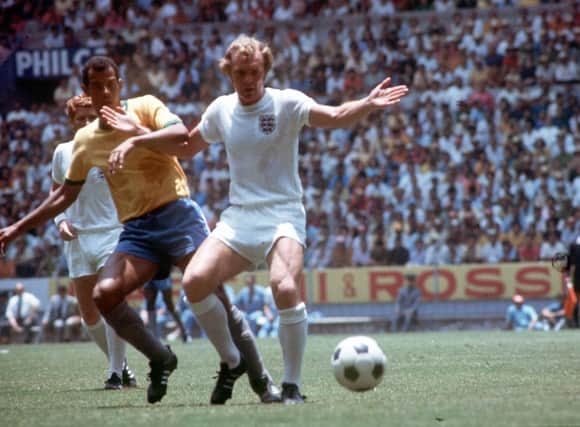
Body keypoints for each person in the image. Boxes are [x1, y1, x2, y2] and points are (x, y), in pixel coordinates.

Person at [106, 35, 408, 403]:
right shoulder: (221, 110)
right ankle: (233, 360)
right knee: (195, 283)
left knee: (283, 286)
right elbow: (185, 146)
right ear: (228, 73)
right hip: (239, 218)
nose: (247, 80)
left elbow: (335, 117)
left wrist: (367, 103)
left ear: (265, 70)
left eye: (253, 72)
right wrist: (138, 136)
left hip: (283, 214)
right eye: (239, 73)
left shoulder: (286, 103)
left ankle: (292, 385)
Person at [0, 56, 279, 405]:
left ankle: (263, 383)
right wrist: (17, 227)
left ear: (120, 83)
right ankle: (161, 357)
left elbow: (181, 136)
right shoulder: (85, 142)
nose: (104, 91)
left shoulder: (146, 106)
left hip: (177, 215)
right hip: (137, 231)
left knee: (215, 294)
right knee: (104, 295)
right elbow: (64, 195)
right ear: (85, 90)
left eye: (110, 83)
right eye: (96, 86)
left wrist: (135, 135)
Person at [50, 94, 137, 390]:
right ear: (71, 121)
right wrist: (59, 220)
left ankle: (114, 373)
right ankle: (121, 365)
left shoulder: (112, 146)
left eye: (91, 117)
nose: (86, 122)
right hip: (77, 239)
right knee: (88, 313)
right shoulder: (62, 152)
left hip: (112, 232)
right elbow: (56, 193)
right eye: (80, 118)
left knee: (111, 302)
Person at [143, 277, 188, 342]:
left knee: (169, 304)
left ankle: (183, 330)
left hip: (162, 274)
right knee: (150, 304)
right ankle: (154, 337)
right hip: (149, 276)